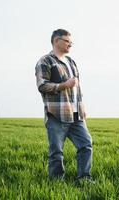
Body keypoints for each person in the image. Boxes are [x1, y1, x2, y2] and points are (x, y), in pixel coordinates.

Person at [35, 29, 93, 183]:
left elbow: (77, 88)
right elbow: (42, 85)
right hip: (57, 115)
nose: (70, 44)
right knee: (56, 152)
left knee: (86, 145)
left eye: (71, 42)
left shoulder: (71, 62)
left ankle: (84, 178)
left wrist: (82, 107)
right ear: (56, 41)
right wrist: (63, 85)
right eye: (67, 41)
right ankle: (56, 182)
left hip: (76, 115)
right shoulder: (45, 61)